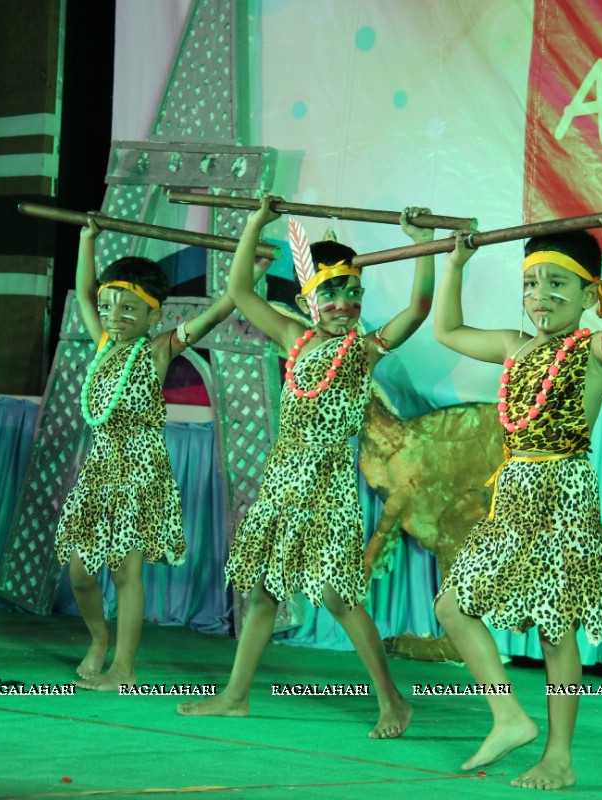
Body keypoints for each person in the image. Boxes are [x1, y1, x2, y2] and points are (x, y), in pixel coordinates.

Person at [178, 196, 435, 739]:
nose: (344, 302)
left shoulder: (363, 350)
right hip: (283, 483)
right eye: (332, 292)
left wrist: (422, 247)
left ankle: (393, 701)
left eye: (353, 292)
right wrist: (254, 224)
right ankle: (235, 696)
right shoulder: (294, 340)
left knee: (340, 597)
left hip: (326, 488)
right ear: (307, 299)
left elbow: (418, 310)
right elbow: (241, 292)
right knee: (267, 589)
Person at [432, 219, 602, 790]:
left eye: (558, 285)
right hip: (512, 495)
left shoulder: (596, 350)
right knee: (454, 607)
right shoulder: (514, 346)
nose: (541, 297)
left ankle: (559, 756)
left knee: (557, 632)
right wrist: (454, 264)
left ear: (589, 295)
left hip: (563, 495)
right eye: (532, 284)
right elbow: (448, 330)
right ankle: (509, 716)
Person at [55, 217, 261, 691]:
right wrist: (88, 240)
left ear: (154, 316)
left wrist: (245, 271)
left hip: (140, 470)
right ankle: (99, 640)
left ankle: (124, 669)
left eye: (129, 308)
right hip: (100, 471)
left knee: (125, 570)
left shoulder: (159, 349)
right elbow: (85, 291)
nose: (114, 314)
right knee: (81, 573)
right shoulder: (105, 343)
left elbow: (220, 309)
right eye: (111, 306)